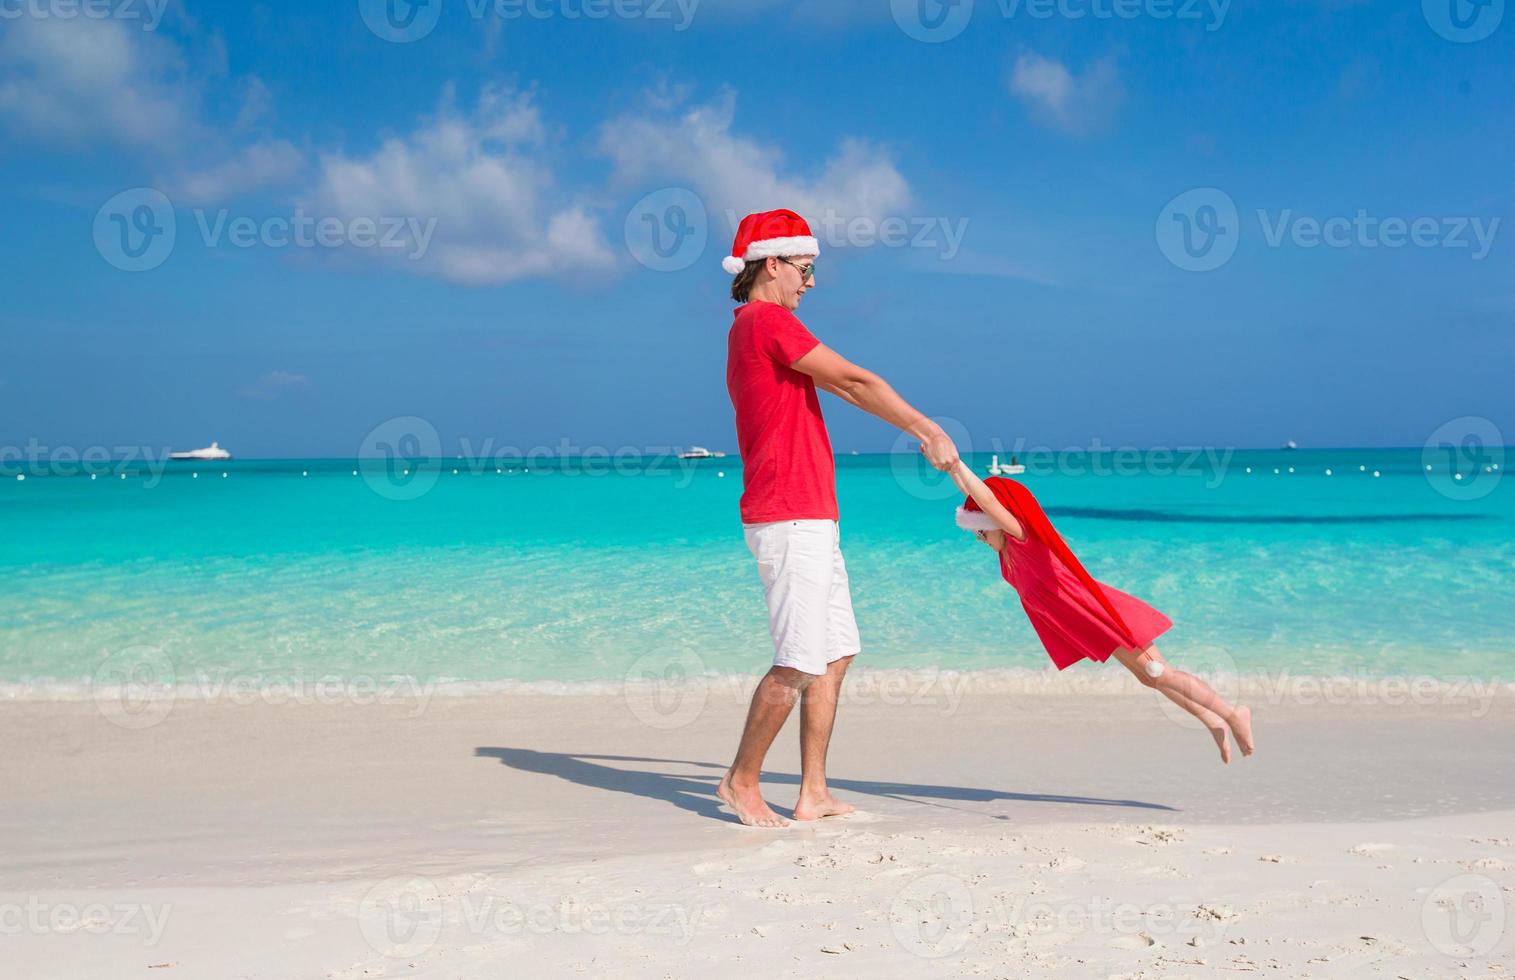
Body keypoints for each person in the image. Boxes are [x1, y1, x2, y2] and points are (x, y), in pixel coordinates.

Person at [717, 208, 960, 827]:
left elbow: (846, 387)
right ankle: (741, 781)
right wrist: (925, 429)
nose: (813, 282)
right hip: (787, 515)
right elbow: (853, 380)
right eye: (806, 268)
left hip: (812, 515)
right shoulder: (763, 320)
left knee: (834, 653)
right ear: (772, 264)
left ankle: (813, 792)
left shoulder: (760, 327)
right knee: (799, 658)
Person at [948, 460, 1256, 763]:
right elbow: (979, 499)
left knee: (1159, 671)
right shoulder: (1008, 559)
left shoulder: (1022, 538)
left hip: (1102, 614)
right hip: (1090, 624)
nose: (981, 539)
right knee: (1151, 679)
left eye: (981, 532)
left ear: (997, 523)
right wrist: (954, 476)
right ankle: (1211, 720)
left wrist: (956, 465)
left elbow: (987, 499)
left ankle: (1232, 713)